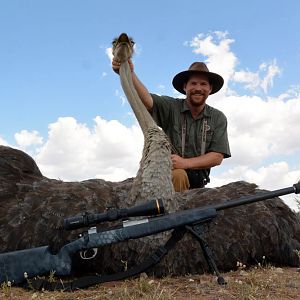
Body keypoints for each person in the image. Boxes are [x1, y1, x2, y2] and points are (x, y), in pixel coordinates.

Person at [112, 60, 231, 192]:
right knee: (178, 175)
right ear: (185, 87)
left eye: (203, 84)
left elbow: (217, 157)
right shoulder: (171, 107)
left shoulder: (218, 117)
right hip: (170, 178)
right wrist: (130, 73)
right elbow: (147, 100)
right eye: (193, 83)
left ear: (210, 89)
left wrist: (185, 163)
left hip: (199, 183)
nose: (198, 88)